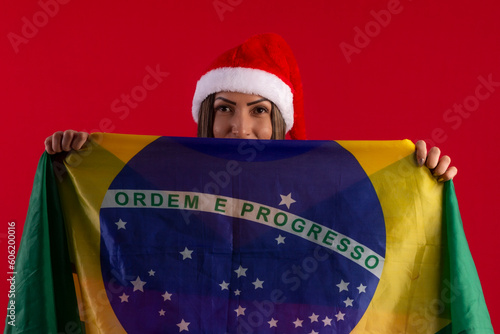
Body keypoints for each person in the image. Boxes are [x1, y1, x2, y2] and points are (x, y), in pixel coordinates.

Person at [44, 33, 457, 181]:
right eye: (225, 108)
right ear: (207, 114)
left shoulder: (320, 189)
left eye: (259, 110)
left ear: (280, 121)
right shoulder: (160, 180)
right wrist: (74, 170)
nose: (239, 127)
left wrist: (421, 182)